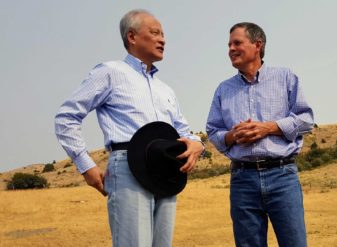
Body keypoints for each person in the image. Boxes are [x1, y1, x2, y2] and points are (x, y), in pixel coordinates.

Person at [55, 9, 204, 247]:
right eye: (155, 33)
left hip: (166, 167)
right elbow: (66, 117)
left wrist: (197, 144)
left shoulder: (165, 89)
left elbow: (183, 130)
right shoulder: (110, 72)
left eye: (163, 34)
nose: (162, 39)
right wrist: (86, 166)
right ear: (132, 37)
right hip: (127, 166)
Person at [206, 22, 314, 247]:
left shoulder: (285, 77)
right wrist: (232, 136)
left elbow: (306, 120)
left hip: (282, 175)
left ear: (257, 45)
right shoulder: (223, 89)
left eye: (237, 43)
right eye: (229, 45)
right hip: (242, 180)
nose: (231, 49)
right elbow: (213, 131)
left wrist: (268, 127)